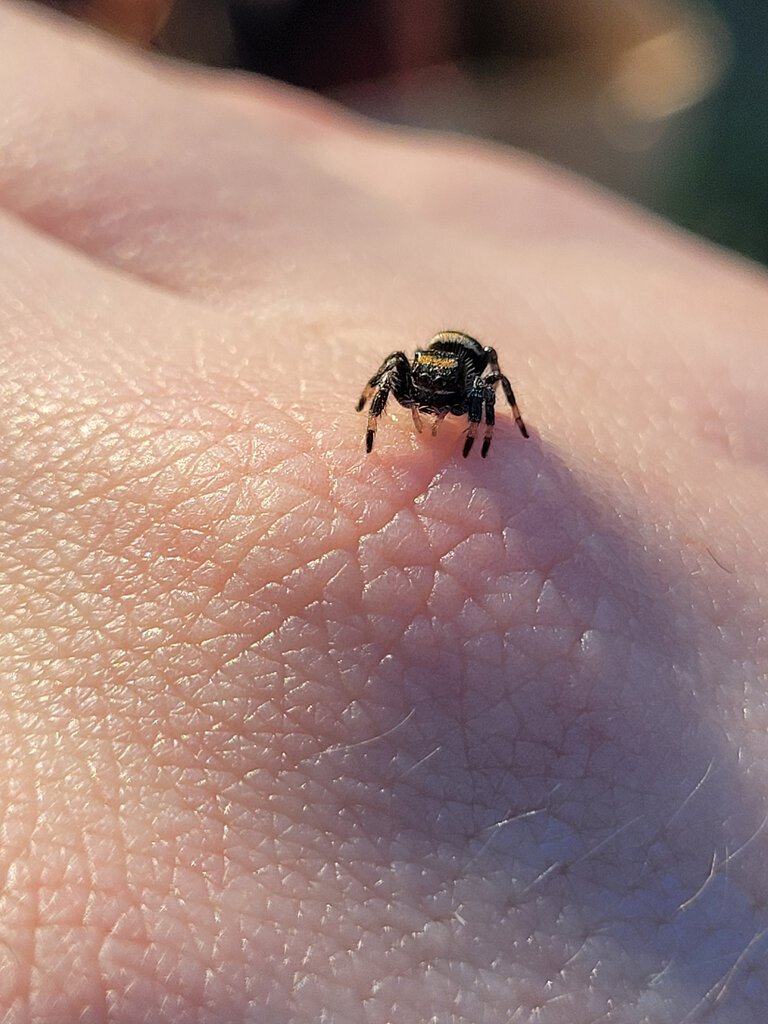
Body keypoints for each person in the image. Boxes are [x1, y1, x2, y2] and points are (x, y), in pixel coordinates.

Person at [1, 2, 767, 1020]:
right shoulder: (410, 372)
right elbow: (392, 374)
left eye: (445, 399)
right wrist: (374, 434)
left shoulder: (470, 379)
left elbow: (484, 379)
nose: (435, 402)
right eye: (428, 397)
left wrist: (493, 439)